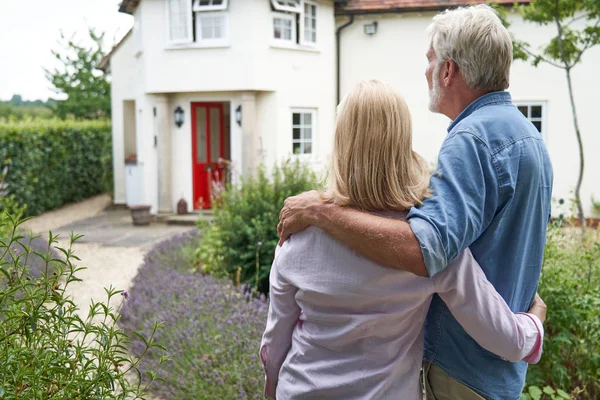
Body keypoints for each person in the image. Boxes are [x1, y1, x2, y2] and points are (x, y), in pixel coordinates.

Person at [277, 6, 553, 400]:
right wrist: (529, 331)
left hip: (462, 368)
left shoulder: (470, 139)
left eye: (429, 60)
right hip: (499, 365)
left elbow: (425, 251)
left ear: (448, 71)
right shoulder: (528, 137)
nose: (425, 72)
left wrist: (320, 211)